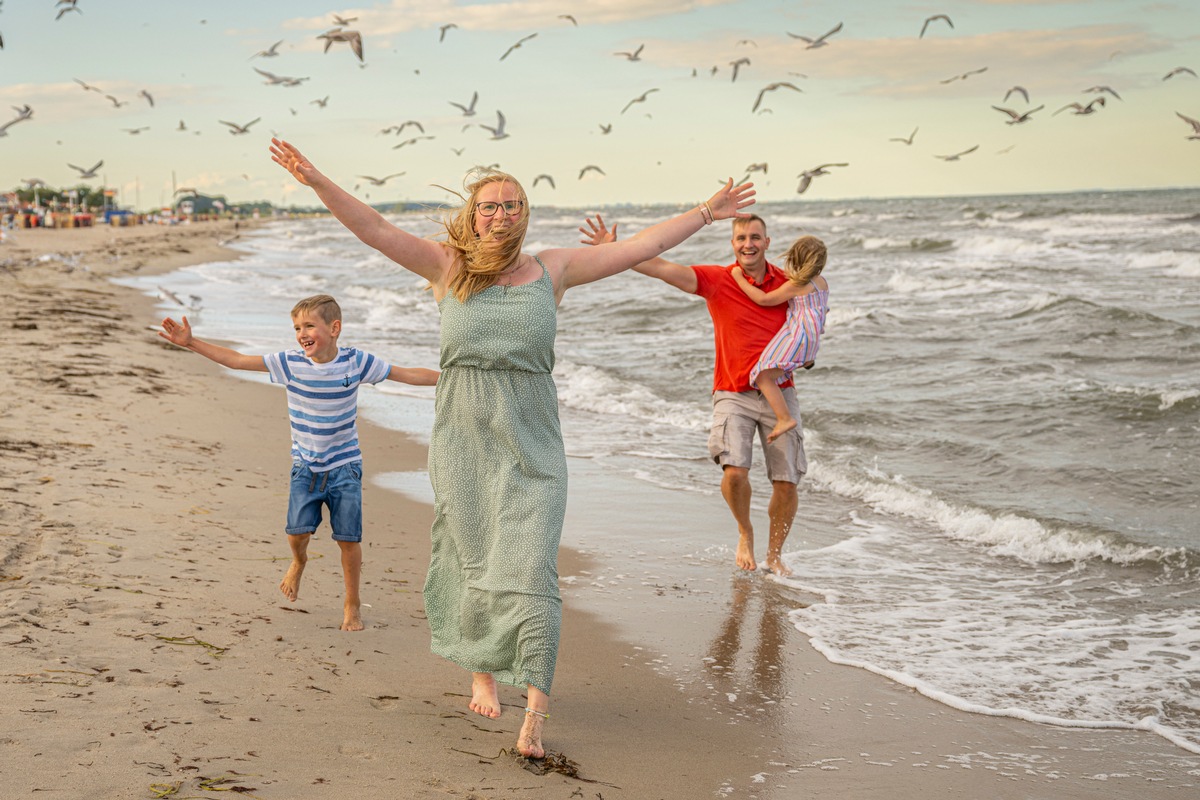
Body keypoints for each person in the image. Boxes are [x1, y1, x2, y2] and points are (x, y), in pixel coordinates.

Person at [268, 137, 755, 759]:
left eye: (511, 205)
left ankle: (535, 711)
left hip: (531, 439)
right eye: (489, 205)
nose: (499, 214)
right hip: (464, 434)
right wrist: (315, 179)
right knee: (471, 556)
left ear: (525, 214)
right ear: (472, 215)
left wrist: (707, 213)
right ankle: (481, 669)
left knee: (530, 565)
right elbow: (374, 227)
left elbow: (643, 246)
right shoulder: (444, 266)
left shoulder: (554, 268)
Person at [157, 294, 439, 632]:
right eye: (296, 327)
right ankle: (298, 561)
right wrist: (191, 343)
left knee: (348, 539)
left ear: (334, 328)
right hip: (305, 466)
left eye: (309, 326)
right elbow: (236, 360)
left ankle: (352, 603)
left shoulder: (356, 362)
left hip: (345, 465)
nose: (301, 333)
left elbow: (405, 374)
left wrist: (452, 377)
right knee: (297, 532)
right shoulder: (289, 363)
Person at [580, 212, 804, 577]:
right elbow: (661, 267)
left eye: (755, 237)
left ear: (767, 242)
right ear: (733, 244)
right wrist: (615, 248)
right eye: (741, 238)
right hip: (732, 390)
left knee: (787, 480)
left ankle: (775, 554)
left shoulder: (788, 283)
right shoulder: (719, 279)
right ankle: (745, 530)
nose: (748, 244)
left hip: (781, 391)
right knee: (734, 472)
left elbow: (810, 321)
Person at [731, 235, 829, 444]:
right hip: (811, 341)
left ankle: (784, 418)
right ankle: (806, 362)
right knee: (779, 370)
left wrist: (739, 278)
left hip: (798, 338)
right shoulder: (822, 282)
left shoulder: (796, 285)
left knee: (763, 376)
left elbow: (764, 299)